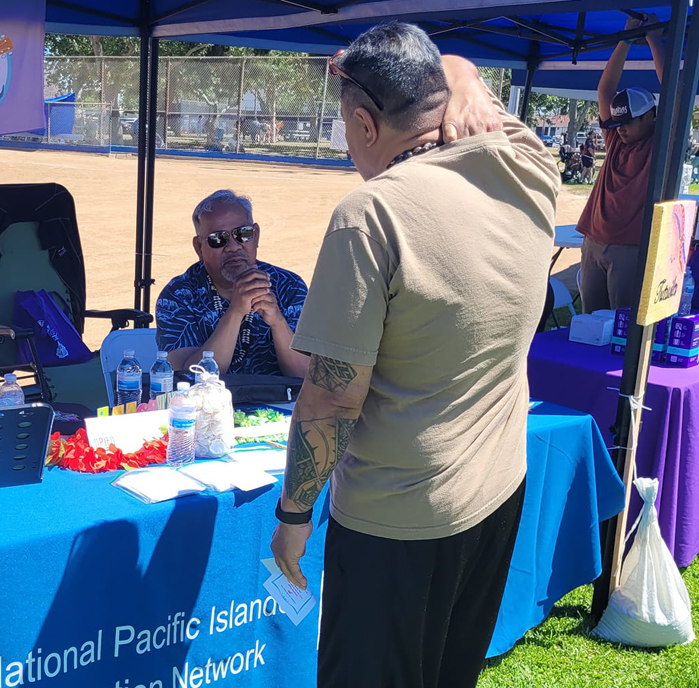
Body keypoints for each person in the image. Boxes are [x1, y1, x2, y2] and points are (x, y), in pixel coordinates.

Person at [269, 23, 559, 688]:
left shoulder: (371, 213)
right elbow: (455, 69)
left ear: (364, 125)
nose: (348, 148)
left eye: (346, 129)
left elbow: (331, 398)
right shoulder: (529, 163)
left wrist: (294, 516)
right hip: (496, 494)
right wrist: (462, 75)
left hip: (395, 521)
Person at [156, 189, 310, 378]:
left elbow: (305, 376)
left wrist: (278, 322)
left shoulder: (290, 287)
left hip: (280, 398)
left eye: (243, 234)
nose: (233, 247)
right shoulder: (178, 295)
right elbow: (187, 377)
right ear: (199, 247)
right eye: (218, 239)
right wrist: (235, 312)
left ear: (256, 235)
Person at [577, 14, 666, 312]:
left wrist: (654, 39)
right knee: (590, 323)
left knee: (621, 326)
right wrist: (625, 39)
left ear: (650, 116)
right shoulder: (616, 138)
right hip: (593, 241)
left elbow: (674, 91)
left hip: (630, 248)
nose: (621, 128)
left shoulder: (659, 143)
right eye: (618, 122)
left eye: (629, 122)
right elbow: (605, 91)